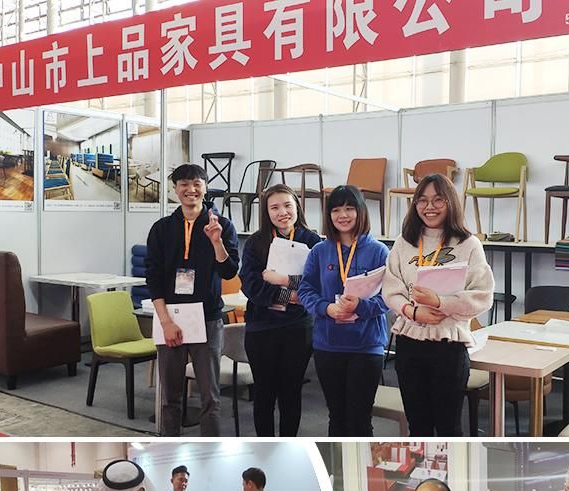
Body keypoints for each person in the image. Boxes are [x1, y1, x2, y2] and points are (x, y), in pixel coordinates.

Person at [382, 172, 494, 435]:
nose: (429, 207)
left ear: (450, 202)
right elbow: (391, 290)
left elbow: (483, 295)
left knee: (448, 427)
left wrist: (440, 302)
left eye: (438, 200)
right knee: (417, 425)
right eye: (422, 200)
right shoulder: (404, 242)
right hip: (409, 345)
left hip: (449, 348)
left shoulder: (468, 244)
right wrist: (413, 310)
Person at [146, 163, 239, 436]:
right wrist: (165, 323)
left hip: (207, 319)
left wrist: (216, 242)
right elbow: (154, 278)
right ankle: (169, 443)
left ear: (205, 187)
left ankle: (211, 447)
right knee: (169, 397)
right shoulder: (161, 229)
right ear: (175, 189)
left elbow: (230, 271)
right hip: (171, 319)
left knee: (210, 397)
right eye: (184, 184)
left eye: (197, 183)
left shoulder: (222, 226)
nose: (191, 189)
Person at [298, 184, 389, 436]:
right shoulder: (319, 251)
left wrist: (362, 307)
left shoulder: (379, 251)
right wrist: (326, 308)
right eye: (336, 210)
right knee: (336, 416)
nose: (343, 215)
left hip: (366, 345)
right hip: (328, 345)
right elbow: (306, 290)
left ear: (361, 212)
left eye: (349, 208)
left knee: (360, 419)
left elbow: (389, 297)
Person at [240, 184, 321, 435]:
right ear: (266, 212)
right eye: (274, 207)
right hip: (262, 328)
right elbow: (251, 285)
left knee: (291, 392)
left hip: (298, 328)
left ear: (296, 206)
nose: (282, 212)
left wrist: (284, 282)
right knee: (264, 393)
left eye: (287, 205)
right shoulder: (256, 243)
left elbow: (317, 282)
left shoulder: (312, 241)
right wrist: (291, 296)